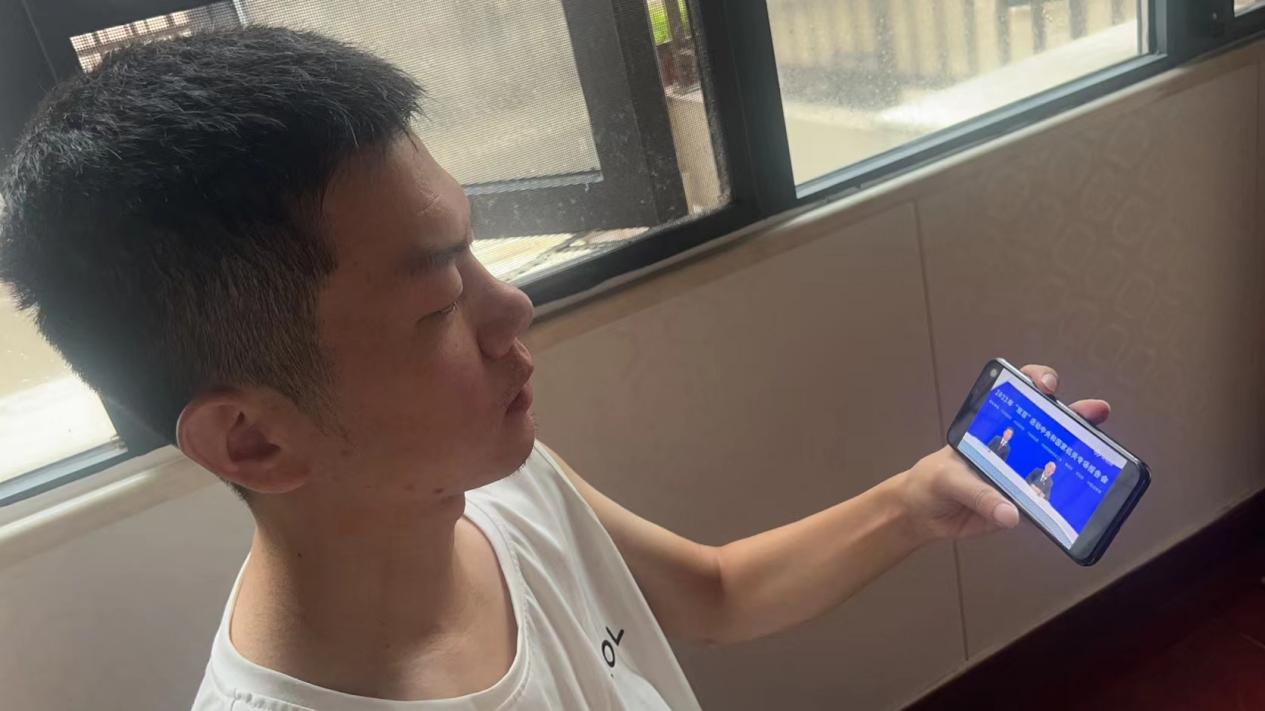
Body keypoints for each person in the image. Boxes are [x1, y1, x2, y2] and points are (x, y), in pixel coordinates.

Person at [0, 28, 1112, 710]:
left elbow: (714, 592)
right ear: (251, 438)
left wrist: (914, 502)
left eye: (473, 252)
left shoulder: (493, 483)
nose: (510, 308)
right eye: (438, 301)